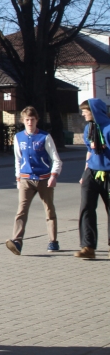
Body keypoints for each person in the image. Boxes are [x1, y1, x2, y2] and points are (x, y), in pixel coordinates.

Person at [6, 106, 62, 255]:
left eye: (32, 119)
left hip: (44, 179)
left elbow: (56, 159)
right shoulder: (19, 137)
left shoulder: (44, 137)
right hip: (26, 179)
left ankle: (53, 241)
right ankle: (17, 241)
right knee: (21, 211)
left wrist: (53, 176)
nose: (29, 122)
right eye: (27, 120)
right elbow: (18, 159)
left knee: (49, 209)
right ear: (23, 121)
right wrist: (18, 178)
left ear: (37, 120)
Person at [75, 98, 110, 259]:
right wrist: (84, 173)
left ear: (94, 111)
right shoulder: (89, 128)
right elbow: (89, 151)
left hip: (108, 173)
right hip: (92, 172)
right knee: (86, 208)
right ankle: (88, 247)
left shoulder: (108, 128)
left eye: (85, 111)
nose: (82, 114)